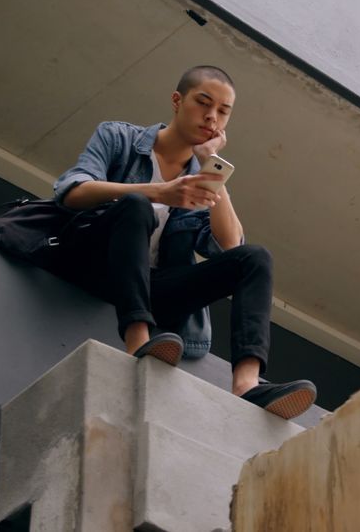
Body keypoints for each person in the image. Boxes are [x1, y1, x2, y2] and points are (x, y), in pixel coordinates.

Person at [48, 65, 316, 419]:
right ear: (177, 101)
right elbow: (71, 191)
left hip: (152, 287)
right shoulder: (119, 137)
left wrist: (212, 169)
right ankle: (138, 342)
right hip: (92, 261)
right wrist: (158, 191)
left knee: (255, 258)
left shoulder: (199, 173)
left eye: (223, 111)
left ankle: (248, 383)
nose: (212, 117)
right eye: (203, 103)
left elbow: (230, 245)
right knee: (135, 206)